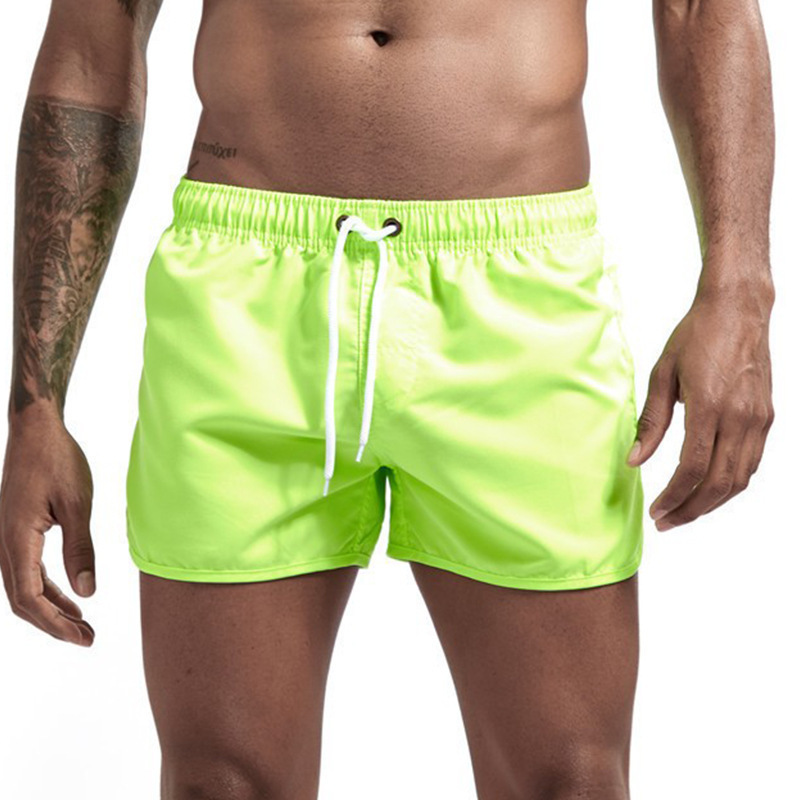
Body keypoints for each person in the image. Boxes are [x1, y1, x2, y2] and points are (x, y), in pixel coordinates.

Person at [0, 1, 775, 798]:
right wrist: (36, 407)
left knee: (570, 782)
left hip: (520, 293)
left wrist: (739, 288)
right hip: (244, 295)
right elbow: (95, 37)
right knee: (220, 785)